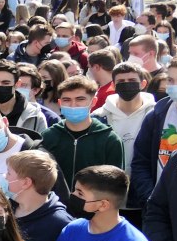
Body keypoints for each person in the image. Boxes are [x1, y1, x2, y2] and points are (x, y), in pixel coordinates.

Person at [40, 76, 125, 217]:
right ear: (60, 103)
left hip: (94, 215)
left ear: (93, 102)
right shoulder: (48, 137)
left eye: (80, 99)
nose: (73, 105)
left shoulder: (109, 139)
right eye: (67, 100)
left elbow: (115, 187)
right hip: (54, 212)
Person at [131, 50, 177, 208]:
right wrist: (150, 198)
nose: (175, 86)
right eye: (171, 80)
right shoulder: (156, 115)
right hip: (158, 209)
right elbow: (140, 162)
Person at [0, 60, 47, 135]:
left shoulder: (35, 116)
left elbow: (42, 145)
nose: (0, 86)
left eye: (6, 83)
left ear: (17, 84)